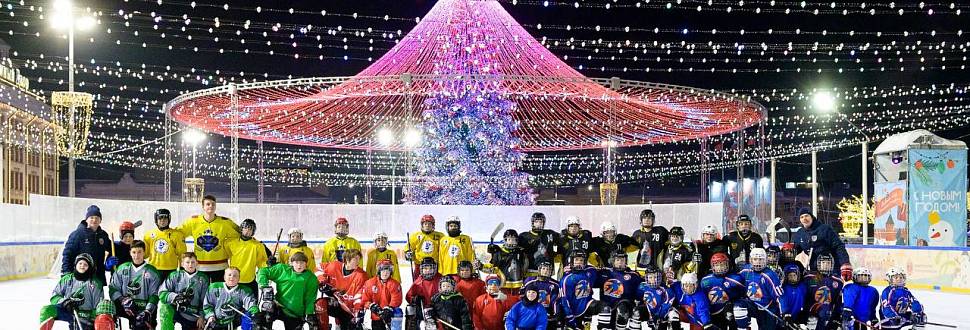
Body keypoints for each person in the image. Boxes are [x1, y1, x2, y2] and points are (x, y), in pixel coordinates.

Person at [176, 195, 240, 282]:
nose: (211, 206)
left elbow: (240, 234)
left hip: (220, 266)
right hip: (200, 266)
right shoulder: (193, 221)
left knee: (218, 293)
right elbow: (178, 233)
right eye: (208, 204)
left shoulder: (225, 222)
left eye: (213, 204)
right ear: (203, 206)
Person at [255, 251, 320, 330]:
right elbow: (263, 271)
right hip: (278, 305)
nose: (299, 265)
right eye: (296, 262)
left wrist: (309, 314)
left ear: (306, 264)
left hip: (295, 312)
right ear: (292, 263)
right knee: (266, 309)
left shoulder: (311, 278)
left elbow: (310, 298)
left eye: (302, 262)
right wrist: (264, 286)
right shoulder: (283, 270)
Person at [40, 253, 104, 330]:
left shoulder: (95, 283)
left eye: (85, 264)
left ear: (90, 268)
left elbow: (99, 306)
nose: (82, 266)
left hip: (86, 315)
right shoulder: (67, 279)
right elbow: (55, 296)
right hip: (68, 311)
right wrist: (64, 302)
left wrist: (90, 317)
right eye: (80, 263)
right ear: (76, 265)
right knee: (47, 310)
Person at [110, 240, 163, 330]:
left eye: (139, 252)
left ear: (144, 253)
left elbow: (155, 294)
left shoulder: (152, 271)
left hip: (144, 311)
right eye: (134, 252)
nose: (136, 255)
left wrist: (147, 311)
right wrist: (122, 299)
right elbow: (113, 288)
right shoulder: (122, 268)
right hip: (125, 309)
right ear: (130, 253)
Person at [792, 208, 852, 281]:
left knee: (831, 289)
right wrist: (787, 251)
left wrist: (845, 263)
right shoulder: (800, 233)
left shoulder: (825, 229)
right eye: (802, 217)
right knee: (816, 290)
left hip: (832, 269)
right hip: (814, 270)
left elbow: (838, 246)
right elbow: (795, 249)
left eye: (806, 216)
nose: (804, 218)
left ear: (812, 217)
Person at [734, 248, 784, 330]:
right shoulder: (745, 271)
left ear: (765, 260)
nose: (757, 262)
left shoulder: (770, 275)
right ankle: (743, 328)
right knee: (739, 307)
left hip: (767, 308)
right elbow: (736, 283)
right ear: (751, 260)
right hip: (752, 305)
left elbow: (780, 296)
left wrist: (785, 313)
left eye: (760, 259)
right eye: (755, 259)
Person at [158, 252, 210, 330]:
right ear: (182, 264)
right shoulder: (175, 275)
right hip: (175, 310)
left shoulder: (203, 278)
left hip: (192, 314)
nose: (190, 265)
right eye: (187, 262)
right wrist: (175, 296)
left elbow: (205, 300)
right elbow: (162, 293)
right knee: (164, 306)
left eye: (192, 262)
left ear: (197, 263)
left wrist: (202, 316)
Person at [61, 205, 112, 285]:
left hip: (97, 277)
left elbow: (111, 248)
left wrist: (109, 262)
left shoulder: (103, 235)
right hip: (81, 276)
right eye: (91, 217)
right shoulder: (78, 234)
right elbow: (68, 254)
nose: (94, 220)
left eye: (97, 218)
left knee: (97, 297)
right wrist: (66, 272)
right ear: (86, 219)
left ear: (100, 220)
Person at [320, 248, 369, 330]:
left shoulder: (361, 275)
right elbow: (318, 268)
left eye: (359, 259)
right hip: (335, 303)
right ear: (347, 259)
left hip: (349, 309)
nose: (358, 261)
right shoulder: (334, 266)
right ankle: (324, 328)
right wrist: (322, 281)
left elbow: (360, 296)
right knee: (320, 304)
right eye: (355, 259)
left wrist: (358, 311)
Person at [595, 252, 644, 330]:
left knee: (622, 310)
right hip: (608, 309)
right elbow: (588, 280)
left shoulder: (633, 275)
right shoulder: (604, 273)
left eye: (622, 260)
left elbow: (645, 288)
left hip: (625, 307)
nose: (620, 262)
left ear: (626, 261)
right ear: (613, 261)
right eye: (617, 260)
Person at [558, 251, 602, 329]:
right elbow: (565, 302)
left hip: (586, 305)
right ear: (571, 261)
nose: (579, 262)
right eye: (576, 260)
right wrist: (570, 318)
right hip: (571, 310)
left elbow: (601, 277)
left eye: (581, 260)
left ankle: (589, 322)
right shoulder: (566, 279)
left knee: (603, 307)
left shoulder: (591, 271)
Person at [700, 252, 745, 330]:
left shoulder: (735, 279)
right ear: (712, 266)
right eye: (717, 265)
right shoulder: (705, 280)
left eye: (722, 264)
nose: (720, 267)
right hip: (713, 313)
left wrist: (732, 304)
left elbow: (742, 295)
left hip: (729, 311)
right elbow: (702, 300)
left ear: (727, 265)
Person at [225, 219, 270, 292]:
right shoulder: (231, 243)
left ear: (253, 232)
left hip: (249, 281)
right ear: (241, 229)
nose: (247, 231)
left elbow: (262, 263)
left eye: (250, 229)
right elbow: (225, 255)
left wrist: (268, 264)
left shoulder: (257, 246)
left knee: (252, 303)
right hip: (234, 280)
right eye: (245, 228)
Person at [804, 254, 845, 330]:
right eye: (823, 263)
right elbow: (804, 298)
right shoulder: (809, 278)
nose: (826, 265)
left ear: (832, 265)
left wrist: (837, 316)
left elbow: (838, 301)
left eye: (828, 263)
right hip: (812, 316)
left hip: (828, 315)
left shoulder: (837, 281)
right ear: (819, 264)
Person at [144, 209, 187, 280]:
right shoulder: (148, 235)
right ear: (156, 219)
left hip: (171, 269)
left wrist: (182, 269)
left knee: (169, 290)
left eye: (165, 218)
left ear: (169, 219)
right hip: (153, 268)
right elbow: (145, 254)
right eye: (160, 218)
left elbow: (181, 254)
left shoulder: (177, 235)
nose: (163, 220)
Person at [487, 229, 530, 299]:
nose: (511, 241)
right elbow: (492, 267)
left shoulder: (521, 252)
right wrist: (492, 253)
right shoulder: (498, 252)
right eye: (509, 239)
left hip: (518, 284)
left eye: (513, 239)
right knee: (504, 304)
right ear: (505, 240)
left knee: (516, 304)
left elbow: (525, 265)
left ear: (516, 240)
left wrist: (523, 275)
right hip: (503, 285)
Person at [361, 260, 403, 330]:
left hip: (390, 315)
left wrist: (389, 308)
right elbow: (365, 300)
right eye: (383, 270)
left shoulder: (395, 284)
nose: (385, 273)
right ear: (379, 271)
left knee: (398, 311)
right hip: (376, 317)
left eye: (388, 270)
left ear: (391, 272)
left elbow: (396, 300)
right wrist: (371, 306)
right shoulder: (370, 283)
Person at [519, 212, 561, 276]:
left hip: (547, 270)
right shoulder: (524, 236)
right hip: (530, 270)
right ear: (532, 223)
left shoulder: (550, 233)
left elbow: (563, 239)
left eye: (541, 222)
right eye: (536, 222)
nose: (539, 224)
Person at [405, 257, 443, 330]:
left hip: (438, 309)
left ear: (434, 269)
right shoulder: (418, 282)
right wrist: (415, 299)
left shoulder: (440, 279)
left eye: (430, 268)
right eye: (425, 269)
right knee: (410, 309)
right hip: (423, 309)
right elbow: (408, 296)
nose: (428, 271)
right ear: (421, 269)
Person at [635, 264, 676, 330]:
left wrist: (658, 315)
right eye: (650, 277)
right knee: (636, 312)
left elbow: (667, 305)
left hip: (661, 316)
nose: (653, 280)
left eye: (655, 277)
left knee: (673, 314)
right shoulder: (642, 286)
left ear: (660, 277)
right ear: (646, 278)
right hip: (648, 313)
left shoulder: (666, 289)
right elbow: (638, 300)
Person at [522, 261, 561, 329]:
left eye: (548, 269)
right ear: (539, 269)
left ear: (551, 272)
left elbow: (555, 301)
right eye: (543, 269)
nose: (545, 271)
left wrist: (555, 315)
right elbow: (522, 296)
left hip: (547, 315)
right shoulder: (529, 281)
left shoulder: (555, 284)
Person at [779, 263, 807, 329]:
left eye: (794, 275)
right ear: (786, 277)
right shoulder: (783, 288)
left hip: (798, 318)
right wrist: (785, 314)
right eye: (790, 275)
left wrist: (804, 313)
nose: (792, 277)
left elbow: (805, 301)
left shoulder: (802, 287)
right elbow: (782, 302)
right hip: (786, 318)